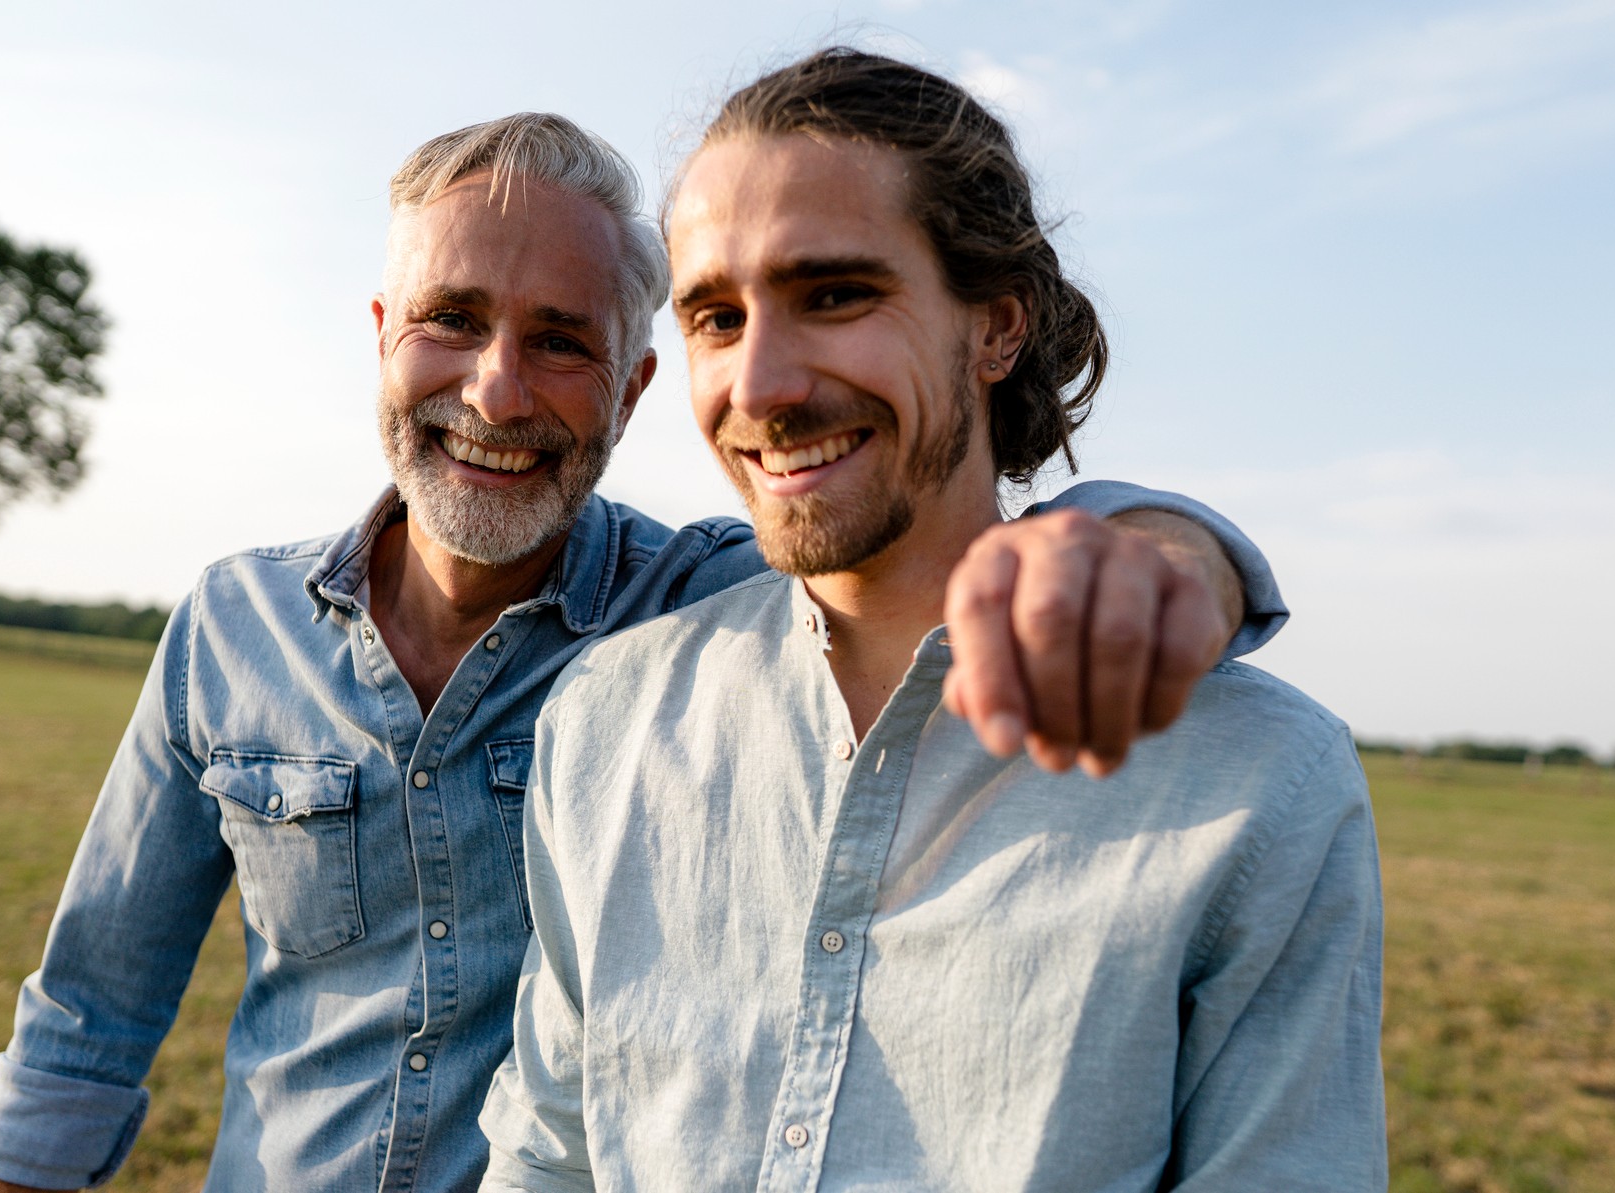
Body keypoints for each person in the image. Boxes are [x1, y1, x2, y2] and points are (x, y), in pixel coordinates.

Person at [0, 111, 1290, 1192]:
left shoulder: (699, 611)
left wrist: (1163, 544)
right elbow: (90, 1012)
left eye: (559, 343)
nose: (496, 390)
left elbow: (927, 546)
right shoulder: (227, 626)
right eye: (453, 321)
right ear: (381, 334)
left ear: (637, 385)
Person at [478, 50, 1387, 1193]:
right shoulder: (604, 721)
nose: (757, 385)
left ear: (995, 327)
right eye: (715, 315)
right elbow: (549, 1152)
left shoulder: (1257, 777)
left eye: (835, 294)